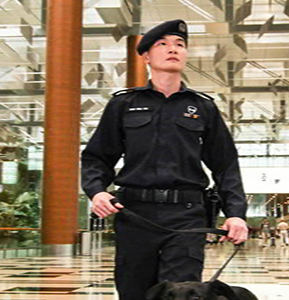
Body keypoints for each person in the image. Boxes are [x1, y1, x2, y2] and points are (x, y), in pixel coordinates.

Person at [80, 19, 249, 300]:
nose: (173, 49)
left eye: (180, 44)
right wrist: (96, 191)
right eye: (163, 44)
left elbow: (225, 164)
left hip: (187, 215)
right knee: (133, 291)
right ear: (146, 56)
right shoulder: (123, 104)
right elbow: (98, 156)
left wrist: (235, 213)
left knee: (183, 293)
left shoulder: (203, 107)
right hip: (134, 213)